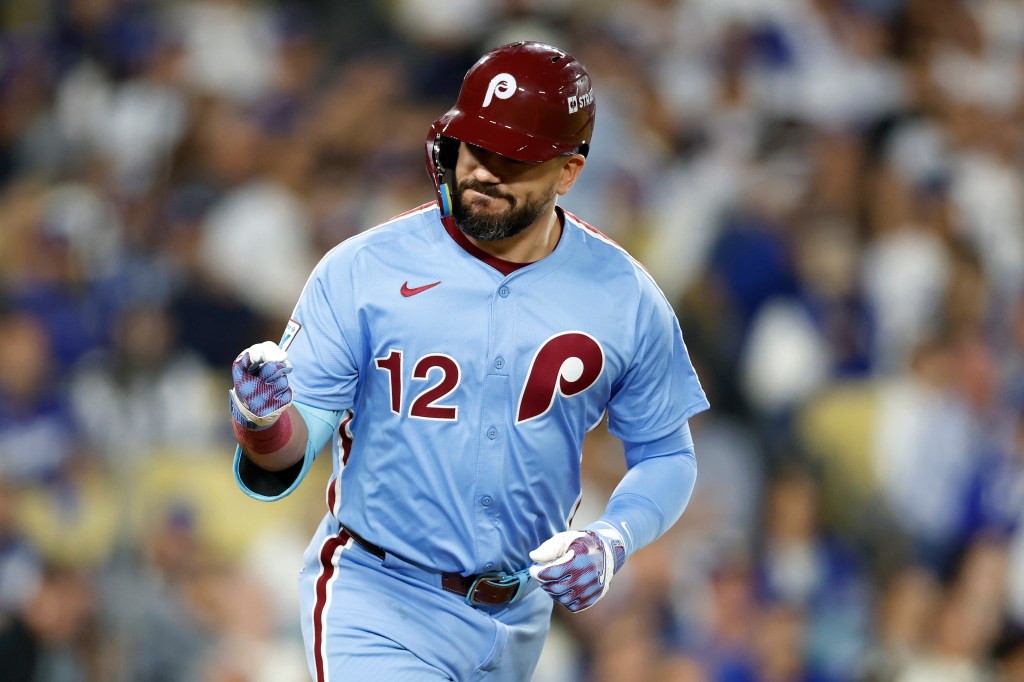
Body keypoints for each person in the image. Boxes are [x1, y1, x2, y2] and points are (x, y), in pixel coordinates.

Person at [228, 41, 709, 682]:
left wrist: (612, 540)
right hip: (379, 598)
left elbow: (668, 454)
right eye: (474, 147)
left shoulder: (624, 294)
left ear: (568, 172)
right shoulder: (364, 269)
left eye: (514, 160)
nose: (483, 171)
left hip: (518, 619)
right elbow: (289, 454)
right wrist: (262, 423)